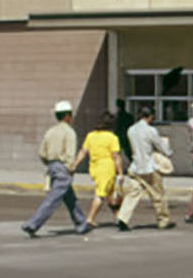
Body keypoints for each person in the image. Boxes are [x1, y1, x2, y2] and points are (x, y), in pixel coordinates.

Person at [24, 100, 93, 238]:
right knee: (53, 199)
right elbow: (70, 154)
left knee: (70, 198)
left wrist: (50, 164)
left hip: (52, 166)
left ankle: (81, 223)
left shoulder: (51, 131)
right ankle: (33, 224)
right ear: (68, 116)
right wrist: (70, 168)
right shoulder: (69, 132)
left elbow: (42, 153)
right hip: (63, 168)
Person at [117, 104, 178, 229]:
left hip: (135, 167)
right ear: (149, 117)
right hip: (149, 167)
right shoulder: (151, 131)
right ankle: (163, 220)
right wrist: (168, 152)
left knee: (132, 194)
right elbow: (161, 146)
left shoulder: (131, 130)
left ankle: (122, 218)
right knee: (158, 195)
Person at [81, 118, 125, 229]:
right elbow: (116, 156)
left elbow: (83, 151)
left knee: (110, 194)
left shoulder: (90, 136)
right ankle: (90, 218)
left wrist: (74, 164)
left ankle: (119, 217)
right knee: (101, 195)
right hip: (107, 168)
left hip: (95, 168)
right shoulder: (112, 138)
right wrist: (120, 173)